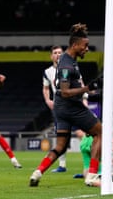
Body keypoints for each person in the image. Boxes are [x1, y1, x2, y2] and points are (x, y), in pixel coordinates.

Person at [29, 23, 103, 187]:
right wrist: (87, 88)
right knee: (101, 133)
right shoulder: (67, 64)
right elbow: (64, 91)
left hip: (61, 110)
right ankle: (91, 175)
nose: (87, 49)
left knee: (61, 147)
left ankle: (37, 173)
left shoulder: (69, 60)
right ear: (75, 45)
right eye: (85, 46)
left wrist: (91, 93)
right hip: (71, 108)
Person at [42, 45, 86, 173]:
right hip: (60, 107)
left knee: (81, 134)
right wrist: (48, 100)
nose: (58, 55)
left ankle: (89, 165)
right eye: (55, 53)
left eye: (60, 52)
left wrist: (84, 99)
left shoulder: (71, 66)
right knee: (61, 136)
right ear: (51, 56)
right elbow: (45, 87)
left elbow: (81, 83)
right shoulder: (47, 72)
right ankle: (62, 165)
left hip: (74, 105)